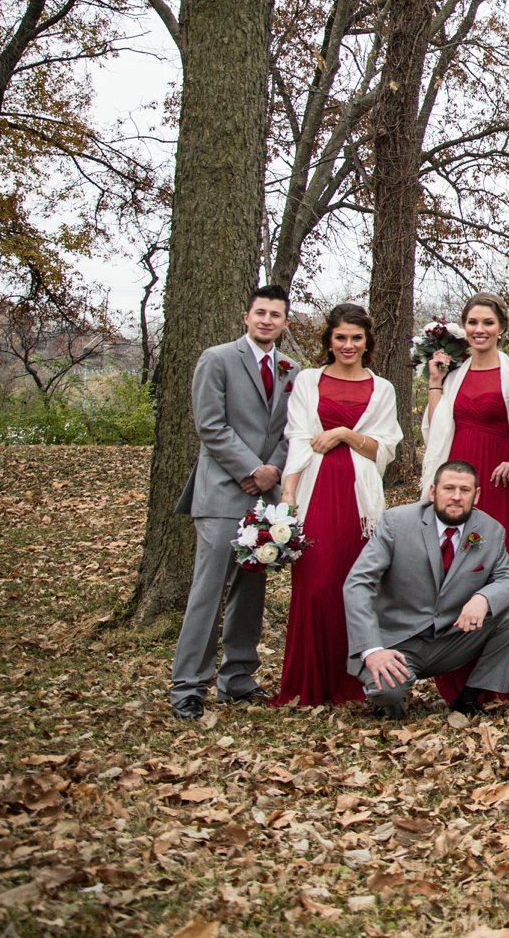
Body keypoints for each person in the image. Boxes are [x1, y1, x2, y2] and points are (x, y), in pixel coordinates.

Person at [168, 284, 298, 719]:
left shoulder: (289, 369)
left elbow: (289, 431)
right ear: (247, 316)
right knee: (208, 591)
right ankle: (188, 686)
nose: (266, 320)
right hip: (224, 492)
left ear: (284, 322)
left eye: (275, 315)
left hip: (265, 499)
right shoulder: (218, 359)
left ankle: (238, 677)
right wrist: (250, 469)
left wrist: (274, 470)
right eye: (260, 312)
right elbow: (209, 424)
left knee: (251, 588)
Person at [271, 303, 403, 707]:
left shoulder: (381, 388)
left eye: (356, 338)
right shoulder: (309, 381)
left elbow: (385, 448)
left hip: (359, 498)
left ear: (367, 342)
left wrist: (344, 433)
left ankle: (354, 681)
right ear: (329, 340)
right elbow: (297, 439)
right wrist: (289, 495)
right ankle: (309, 682)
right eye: (341, 337)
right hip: (315, 491)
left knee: (356, 584)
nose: (348, 345)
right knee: (316, 585)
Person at [344, 461, 509, 718]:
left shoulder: (490, 530)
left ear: (476, 495)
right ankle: (391, 701)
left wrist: (483, 598)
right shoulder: (397, 523)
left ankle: (469, 696)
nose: (456, 497)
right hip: (399, 642)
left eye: (465, 490)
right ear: (433, 492)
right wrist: (372, 650)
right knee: (386, 692)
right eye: (449, 488)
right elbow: (358, 583)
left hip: (452, 640)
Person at [418, 293, 509, 702]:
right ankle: (452, 675)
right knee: (452, 572)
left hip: (497, 484)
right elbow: (436, 427)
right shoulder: (456, 374)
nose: (479, 330)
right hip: (457, 484)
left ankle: (492, 680)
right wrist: (434, 381)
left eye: (487, 322)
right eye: (472, 323)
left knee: (494, 572)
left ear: (501, 327)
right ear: (464, 328)